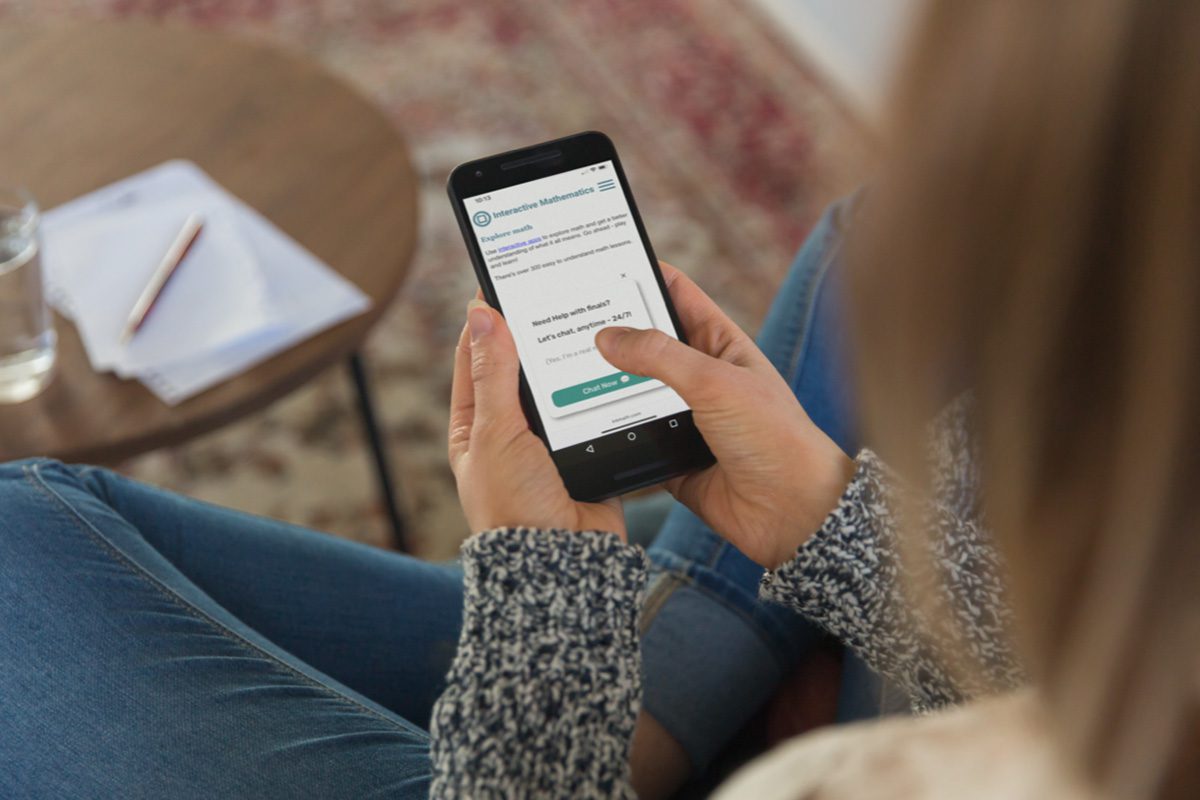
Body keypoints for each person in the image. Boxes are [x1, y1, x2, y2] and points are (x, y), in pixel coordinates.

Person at [3, 1, 1197, 799]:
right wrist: (827, 520)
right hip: (956, 647)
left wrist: (554, 591)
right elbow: (1083, 683)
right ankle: (677, 692)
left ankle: (653, 707)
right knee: (873, 246)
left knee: (21, 532)